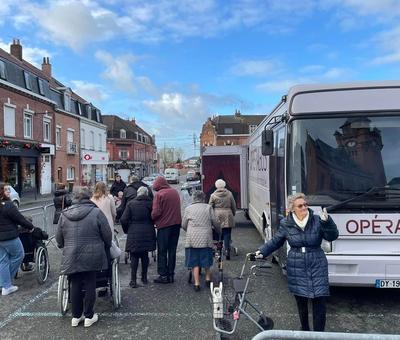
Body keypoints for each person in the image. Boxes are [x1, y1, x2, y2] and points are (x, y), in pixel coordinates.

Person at [255, 193, 338, 332]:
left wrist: (327, 222)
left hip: (317, 262)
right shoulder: (286, 223)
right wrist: (262, 251)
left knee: (320, 302)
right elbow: (276, 241)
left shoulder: (317, 220)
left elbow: (332, 236)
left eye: (306, 205)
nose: (304, 207)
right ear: (292, 209)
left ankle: (319, 334)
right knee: (301, 302)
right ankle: (304, 330)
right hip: (296, 264)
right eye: (300, 206)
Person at [56, 186, 112, 328]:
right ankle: (89, 315)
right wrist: (106, 246)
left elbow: (59, 239)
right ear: (89, 197)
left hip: (71, 254)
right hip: (92, 254)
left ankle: (76, 316)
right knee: (89, 283)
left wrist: (65, 246)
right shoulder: (96, 212)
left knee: (75, 284)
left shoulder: (64, 214)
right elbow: (107, 235)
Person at [182, 190, 221, 291]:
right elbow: (215, 222)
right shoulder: (208, 208)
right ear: (203, 198)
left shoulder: (188, 209)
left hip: (192, 239)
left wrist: (190, 230)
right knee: (206, 259)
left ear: (193, 198)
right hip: (206, 238)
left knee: (195, 262)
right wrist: (218, 231)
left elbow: (184, 225)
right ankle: (208, 279)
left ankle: (196, 283)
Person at [0, 183, 35, 296]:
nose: (9, 193)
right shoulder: (8, 205)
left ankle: (5, 285)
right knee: (19, 255)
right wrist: (31, 227)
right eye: (6, 190)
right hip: (9, 237)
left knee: (3, 260)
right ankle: (5, 284)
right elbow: (20, 219)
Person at [120, 186, 156, 288]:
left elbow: (123, 219)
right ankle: (144, 278)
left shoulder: (131, 203)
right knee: (145, 255)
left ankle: (133, 280)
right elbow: (155, 216)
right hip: (147, 231)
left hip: (134, 231)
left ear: (138, 194)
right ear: (146, 194)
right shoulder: (150, 203)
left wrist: (127, 230)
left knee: (134, 256)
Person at [151, 176, 181, 284]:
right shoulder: (175, 192)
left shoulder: (159, 195)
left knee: (162, 251)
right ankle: (171, 274)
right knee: (172, 251)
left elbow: (156, 212)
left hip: (164, 226)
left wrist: (151, 218)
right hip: (176, 225)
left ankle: (163, 275)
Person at [209, 179, 236, 260]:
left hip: (216, 215)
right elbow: (233, 205)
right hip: (228, 214)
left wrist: (210, 217)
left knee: (217, 233)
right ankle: (227, 250)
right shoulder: (229, 194)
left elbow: (210, 207)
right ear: (224, 185)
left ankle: (218, 250)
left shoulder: (213, 195)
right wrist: (233, 213)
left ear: (216, 185)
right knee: (227, 233)